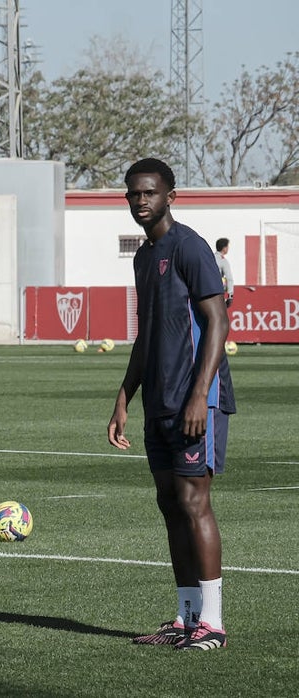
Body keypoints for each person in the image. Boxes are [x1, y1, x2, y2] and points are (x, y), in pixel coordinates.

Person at [108, 158, 235, 651]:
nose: (141, 201)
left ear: (170, 196)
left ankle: (213, 625)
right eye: (133, 194)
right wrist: (123, 397)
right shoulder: (144, 257)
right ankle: (186, 619)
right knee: (169, 504)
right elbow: (145, 336)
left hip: (195, 400)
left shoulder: (191, 247)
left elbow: (218, 322)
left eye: (149, 193)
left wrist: (200, 396)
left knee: (193, 502)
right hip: (158, 402)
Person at [215, 238, 234, 308]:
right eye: (227, 246)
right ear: (224, 248)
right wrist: (230, 296)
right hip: (218, 291)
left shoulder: (210, 257)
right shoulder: (223, 260)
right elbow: (229, 279)